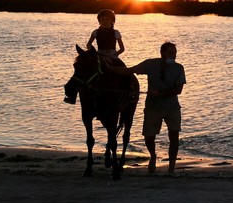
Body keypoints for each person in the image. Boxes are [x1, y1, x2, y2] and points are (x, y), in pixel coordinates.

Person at [129, 42, 186, 175]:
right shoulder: (150, 64)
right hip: (153, 107)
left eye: (175, 52)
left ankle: (171, 167)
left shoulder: (179, 68)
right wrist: (110, 68)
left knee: (174, 136)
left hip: (172, 107)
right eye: (171, 52)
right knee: (149, 137)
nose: (174, 55)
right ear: (162, 53)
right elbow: (130, 70)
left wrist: (160, 93)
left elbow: (179, 90)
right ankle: (153, 155)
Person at [64, 9, 126, 104]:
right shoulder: (95, 32)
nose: (105, 21)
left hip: (112, 56)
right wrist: (91, 51)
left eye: (107, 19)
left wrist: (115, 55)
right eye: (102, 19)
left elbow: (122, 48)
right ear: (99, 21)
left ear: (112, 21)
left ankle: (129, 90)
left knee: (124, 70)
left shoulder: (116, 32)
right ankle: (72, 96)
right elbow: (89, 44)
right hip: (99, 54)